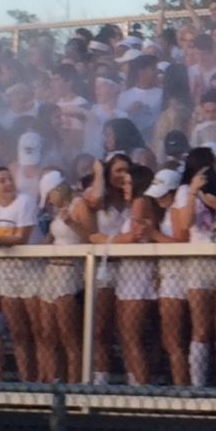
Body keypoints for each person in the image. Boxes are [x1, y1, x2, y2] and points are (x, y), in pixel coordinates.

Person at [174, 147, 216, 388]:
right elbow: (184, 223)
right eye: (215, 164)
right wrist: (193, 192)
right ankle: (198, 388)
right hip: (199, 261)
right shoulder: (184, 191)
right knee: (201, 330)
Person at [91, 164, 158, 386]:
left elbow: (135, 235)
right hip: (127, 275)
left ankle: (140, 389)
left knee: (131, 337)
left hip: (139, 276)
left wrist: (103, 239)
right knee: (127, 337)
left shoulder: (140, 202)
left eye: (130, 183)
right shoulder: (132, 206)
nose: (125, 187)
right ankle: (134, 385)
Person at [83, 154, 132, 384]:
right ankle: (100, 384)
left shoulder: (135, 197)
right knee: (101, 329)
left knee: (128, 330)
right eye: (117, 171)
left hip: (130, 271)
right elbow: (94, 200)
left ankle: (136, 385)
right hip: (104, 270)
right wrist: (99, 172)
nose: (123, 175)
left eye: (126, 170)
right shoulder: (99, 198)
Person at [39, 173, 93, 383]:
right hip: (52, 271)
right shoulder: (57, 211)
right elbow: (51, 239)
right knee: (48, 332)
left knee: (68, 334)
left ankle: (73, 385)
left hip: (70, 271)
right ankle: (53, 382)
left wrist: (71, 222)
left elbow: (90, 235)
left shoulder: (78, 204)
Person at [145, 167, 190, 386]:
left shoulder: (175, 210)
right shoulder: (168, 211)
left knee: (173, 340)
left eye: (164, 194)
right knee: (170, 339)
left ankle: (183, 387)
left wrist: (154, 235)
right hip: (169, 276)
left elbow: (182, 241)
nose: (160, 199)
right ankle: (180, 384)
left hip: (176, 278)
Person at [0, 166, 42, 382]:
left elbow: (22, 238)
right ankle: (26, 382)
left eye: (9, 179)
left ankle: (44, 382)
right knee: (18, 333)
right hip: (6, 278)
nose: (7, 184)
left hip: (31, 274)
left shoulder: (24, 202)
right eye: (2, 181)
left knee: (37, 330)